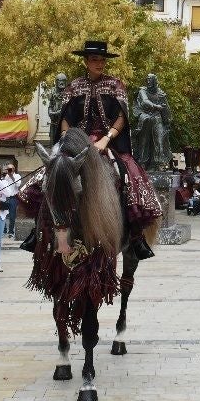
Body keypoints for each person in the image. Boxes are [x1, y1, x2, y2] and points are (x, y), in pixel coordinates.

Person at [58, 40, 161, 259]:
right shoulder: (74, 86)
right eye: (95, 59)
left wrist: (106, 138)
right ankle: (40, 231)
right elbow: (65, 118)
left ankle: (136, 235)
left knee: (131, 174)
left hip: (109, 141)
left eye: (103, 60)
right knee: (51, 173)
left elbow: (122, 117)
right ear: (86, 61)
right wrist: (66, 139)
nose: (100, 63)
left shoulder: (116, 85)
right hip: (77, 142)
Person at [0, 163, 21, 239]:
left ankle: (11, 231)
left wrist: (12, 176)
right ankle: (4, 230)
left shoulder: (17, 176)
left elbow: (18, 185)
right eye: (8, 169)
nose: (9, 170)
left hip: (13, 198)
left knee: (12, 215)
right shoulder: (6, 176)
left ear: (14, 169)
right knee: (3, 214)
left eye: (10, 169)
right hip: (5, 198)